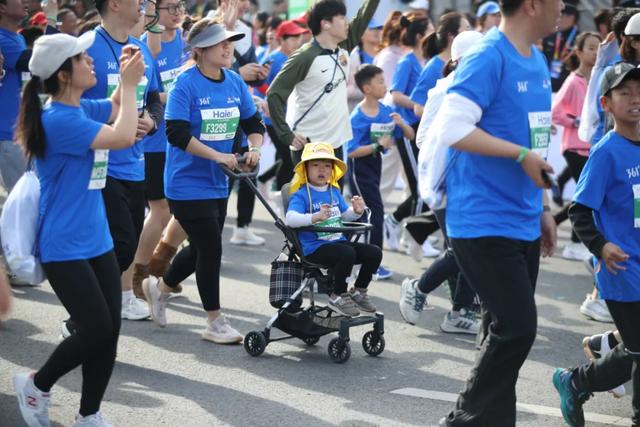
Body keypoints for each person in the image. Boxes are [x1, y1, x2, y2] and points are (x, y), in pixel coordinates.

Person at [431, 0, 560, 423]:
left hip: (523, 217)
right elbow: (451, 129)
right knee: (517, 329)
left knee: (498, 333)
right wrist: (519, 154)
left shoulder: (537, 58)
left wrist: (542, 207)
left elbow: (535, 139)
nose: (563, 7)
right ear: (533, 4)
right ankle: (462, 418)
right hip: (481, 220)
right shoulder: (489, 55)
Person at [12, 31, 144, 427]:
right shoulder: (60, 120)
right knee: (97, 329)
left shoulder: (81, 109)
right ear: (64, 74)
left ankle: (89, 414)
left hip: (96, 239)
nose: (90, 63)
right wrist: (133, 84)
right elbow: (122, 134)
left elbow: (118, 106)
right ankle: (37, 384)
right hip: (63, 246)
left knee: (110, 331)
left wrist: (125, 78)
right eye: (82, 59)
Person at [142, 17, 265, 344]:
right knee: (211, 247)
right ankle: (215, 322)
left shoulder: (235, 82)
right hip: (185, 183)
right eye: (220, 42)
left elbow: (254, 121)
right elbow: (176, 133)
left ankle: (160, 287)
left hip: (219, 181)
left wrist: (253, 148)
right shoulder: (185, 83)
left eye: (230, 42)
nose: (228, 48)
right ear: (199, 50)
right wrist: (217, 155)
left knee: (200, 249)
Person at [554, 63, 640, 427]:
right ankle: (576, 381)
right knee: (639, 349)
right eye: (625, 93)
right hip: (623, 269)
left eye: (639, 91)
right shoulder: (606, 152)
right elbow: (580, 209)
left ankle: (576, 378)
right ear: (606, 103)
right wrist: (601, 246)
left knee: (636, 349)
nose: (635, 99)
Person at [399, 30, 484, 336]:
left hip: (475, 183)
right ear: (459, 60)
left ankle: (461, 311)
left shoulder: (483, 89)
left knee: (468, 246)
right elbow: (422, 138)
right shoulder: (443, 90)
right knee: (464, 248)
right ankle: (418, 288)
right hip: (445, 182)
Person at [83, 0, 164, 321]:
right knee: (117, 239)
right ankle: (85, 307)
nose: (143, 5)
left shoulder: (140, 49)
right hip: (97, 163)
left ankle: (123, 295)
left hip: (134, 162)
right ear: (114, 4)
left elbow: (155, 100)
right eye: (137, 0)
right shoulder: (86, 46)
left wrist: (152, 122)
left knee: (127, 242)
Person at [266, 0, 380, 166]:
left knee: (335, 192)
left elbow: (364, 15)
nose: (347, 22)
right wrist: (287, 135)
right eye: (341, 17)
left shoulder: (344, 46)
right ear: (325, 24)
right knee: (311, 193)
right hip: (309, 145)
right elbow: (274, 94)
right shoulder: (304, 56)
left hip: (336, 142)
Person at [130, 0, 189, 300]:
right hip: (154, 141)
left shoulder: (185, 39)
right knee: (161, 210)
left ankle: (157, 267)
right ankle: (138, 275)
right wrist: (175, 94)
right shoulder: (144, 45)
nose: (178, 12)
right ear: (154, 11)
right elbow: (151, 93)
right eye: (171, 7)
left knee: (184, 210)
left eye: (181, 6)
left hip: (181, 140)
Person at [286, 141, 382, 317]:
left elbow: (344, 216)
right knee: (347, 253)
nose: (322, 170)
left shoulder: (333, 191)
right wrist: (314, 217)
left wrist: (356, 211)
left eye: (327, 166)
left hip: (337, 242)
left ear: (332, 170)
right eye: (315, 165)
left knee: (374, 252)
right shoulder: (301, 194)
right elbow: (290, 219)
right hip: (315, 248)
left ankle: (359, 290)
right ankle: (338, 294)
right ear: (305, 169)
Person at [347, 64, 414, 280]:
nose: (385, 85)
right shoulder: (358, 116)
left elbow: (411, 136)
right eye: (380, 81)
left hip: (375, 166)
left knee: (363, 215)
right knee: (373, 212)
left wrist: (402, 124)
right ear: (367, 88)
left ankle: (348, 258)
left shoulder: (386, 112)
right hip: (359, 169)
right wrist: (377, 146)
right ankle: (373, 264)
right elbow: (352, 151)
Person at [384, 12, 440, 258]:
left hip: (423, 129)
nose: (435, 32)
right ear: (420, 35)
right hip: (407, 128)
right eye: (430, 28)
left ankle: (404, 229)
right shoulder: (407, 61)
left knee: (424, 187)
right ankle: (399, 225)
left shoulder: (427, 60)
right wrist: (422, 105)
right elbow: (395, 94)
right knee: (419, 188)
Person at [411, 11, 470, 117]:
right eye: (466, 29)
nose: (471, 33)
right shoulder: (433, 67)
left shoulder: (466, 63)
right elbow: (418, 108)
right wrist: (443, 119)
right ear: (451, 36)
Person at [0, 0, 30, 194]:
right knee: (21, 200)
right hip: (7, 133)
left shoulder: (16, 38)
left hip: (21, 131)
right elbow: (34, 61)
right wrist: (52, 20)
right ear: (2, 7)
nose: (26, 1)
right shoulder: (2, 39)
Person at [541, 0, 579, 92]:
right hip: (548, 84)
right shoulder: (551, 34)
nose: (559, 19)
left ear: (571, 18)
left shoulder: (579, 39)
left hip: (568, 87)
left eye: (562, 16)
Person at [346, 19, 382, 111]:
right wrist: (372, 93)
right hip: (358, 109)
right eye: (371, 29)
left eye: (378, 28)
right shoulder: (354, 56)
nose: (376, 32)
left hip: (380, 109)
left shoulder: (384, 54)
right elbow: (349, 90)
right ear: (361, 34)